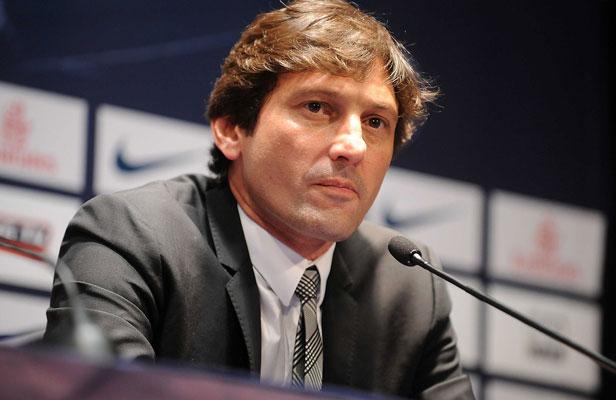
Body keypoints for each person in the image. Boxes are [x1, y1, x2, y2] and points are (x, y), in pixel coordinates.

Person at [44, 0, 474, 398]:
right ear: (232, 129)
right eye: (317, 107)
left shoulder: (408, 287)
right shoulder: (133, 235)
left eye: (376, 122)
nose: (354, 146)